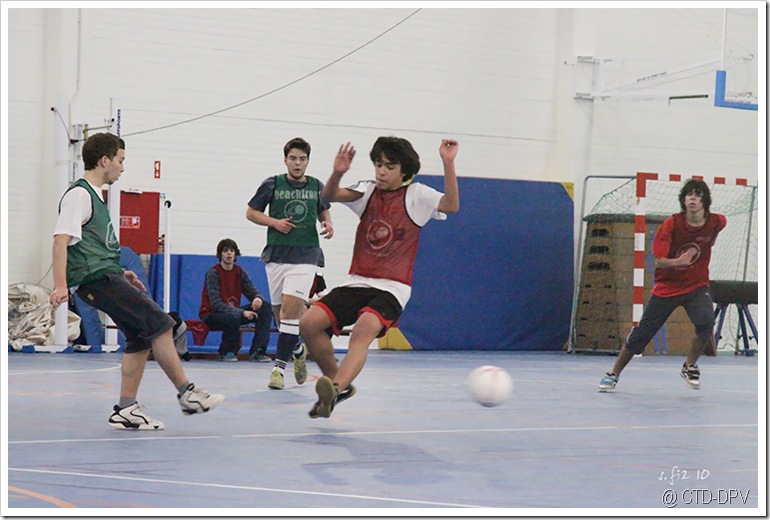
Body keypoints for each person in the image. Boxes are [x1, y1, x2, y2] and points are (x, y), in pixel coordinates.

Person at [48, 132, 224, 431]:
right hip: (97, 280)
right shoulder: (80, 195)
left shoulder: (93, 196)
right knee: (161, 324)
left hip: (106, 276)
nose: (122, 167)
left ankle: (126, 408)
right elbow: (60, 241)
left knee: (140, 338)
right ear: (104, 160)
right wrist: (60, 284)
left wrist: (120, 271)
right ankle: (187, 393)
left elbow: (93, 246)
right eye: (120, 160)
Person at [299, 136, 460, 418]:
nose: (381, 172)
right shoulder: (367, 191)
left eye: (389, 166)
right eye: (378, 164)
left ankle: (335, 389)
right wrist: (338, 172)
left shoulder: (417, 195)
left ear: (404, 171)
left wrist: (448, 163)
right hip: (357, 281)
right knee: (309, 323)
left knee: (363, 330)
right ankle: (340, 384)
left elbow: (451, 205)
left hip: (392, 288)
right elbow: (330, 196)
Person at [598, 179, 727, 392]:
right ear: (683, 200)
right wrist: (678, 262)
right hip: (668, 287)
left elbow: (716, 230)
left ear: (705, 201)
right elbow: (658, 260)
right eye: (689, 195)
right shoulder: (673, 224)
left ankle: (690, 366)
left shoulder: (717, 221)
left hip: (696, 285)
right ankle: (613, 374)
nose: (693, 199)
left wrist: (709, 243)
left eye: (697, 195)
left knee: (706, 324)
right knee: (641, 336)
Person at [246, 137, 334, 390]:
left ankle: (278, 370)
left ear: (308, 161)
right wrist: (274, 222)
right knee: (280, 317)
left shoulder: (317, 185)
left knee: (289, 313)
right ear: (285, 160)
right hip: (276, 257)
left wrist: (327, 222)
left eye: (302, 159)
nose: (297, 163)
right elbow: (251, 212)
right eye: (293, 158)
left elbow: (323, 208)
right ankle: (296, 349)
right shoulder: (272, 183)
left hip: (306, 256)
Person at [198, 238, 273, 362]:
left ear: (235, 254)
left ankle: (257, 351)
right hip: (211, 315)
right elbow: (216, 304)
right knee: (232, 316)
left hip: (234, 313)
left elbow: (251, 290)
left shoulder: (239, 271)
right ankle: (227, 351)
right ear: (220, 254)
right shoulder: (213, 273)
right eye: (225, 251)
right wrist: (242, 312)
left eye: (231, 251)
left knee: (265, 307)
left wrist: (257, 298)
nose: (229, 253)